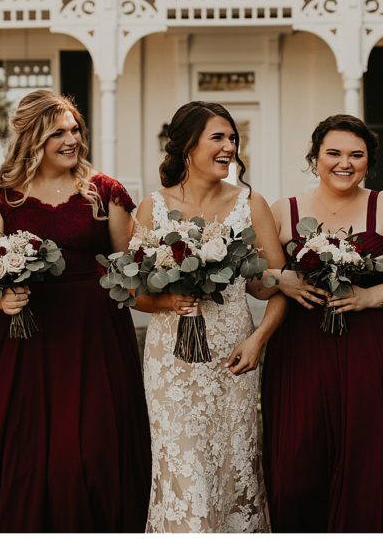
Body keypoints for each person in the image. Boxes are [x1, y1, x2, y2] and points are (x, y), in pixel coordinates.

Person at [0, 90, 150, 532]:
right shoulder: (1, 200)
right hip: (26, 335)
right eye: (58, 133)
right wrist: (0, 300)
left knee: (93, 442)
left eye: (75, 130)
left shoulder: (103, 192)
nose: (72, 140)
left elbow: (131, 268)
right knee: (28, 444)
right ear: (33, 139)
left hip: (95, 331)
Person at [261, 114, 383, 531]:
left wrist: (370, 296)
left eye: (356, 155)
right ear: (314, 158)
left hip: (376, 347)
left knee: (369, 460)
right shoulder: (285, 210)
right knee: (296, 468)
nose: (345, 163)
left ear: (368, 162)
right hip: (303, 349)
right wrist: (281, 278)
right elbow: (257, 283)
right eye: (333, 153)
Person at [134, 101, 286, 533]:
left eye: (232, 138)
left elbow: (274, 285)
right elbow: (132, 293)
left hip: (232, 359)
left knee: (232, 470)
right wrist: (166, 302)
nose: (229, 147)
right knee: (185, 475)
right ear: (187, 147)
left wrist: (259, 339)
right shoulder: (154, 208)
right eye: (217, 138)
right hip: (172, 365)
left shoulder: (249, 204)